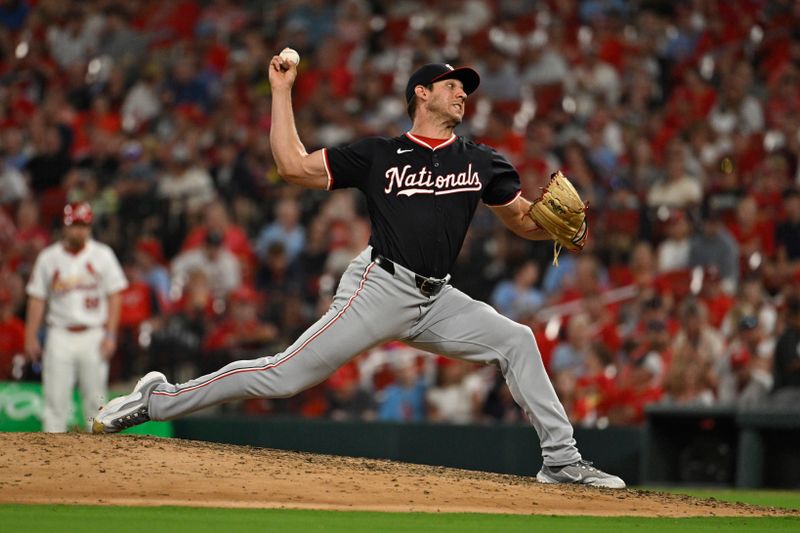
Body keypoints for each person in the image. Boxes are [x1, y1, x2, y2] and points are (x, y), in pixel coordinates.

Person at [92, 57, 625, 489]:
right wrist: (281, 91)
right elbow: (292, 166)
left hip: (437, 300)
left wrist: (560, 231)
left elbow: (524, 221)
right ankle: (156, 399)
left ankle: (561, 460)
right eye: (451, 85)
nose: (463, 93)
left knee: (518, 340)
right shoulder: (380, 154)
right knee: (284, 375)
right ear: (421, 93)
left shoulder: (482, 161)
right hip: (378, 286)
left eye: (466, 88)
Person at [25, 202, 128, 432]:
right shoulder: (48, 258)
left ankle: (98, 461)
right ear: (65, 226)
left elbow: (115, 296)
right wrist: (30, 335)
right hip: (59, 334)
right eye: (74, 226)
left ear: (90, 227)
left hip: (93, 334)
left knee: (96, 402)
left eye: (83, 226)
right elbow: (36, 298)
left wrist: (111, 334)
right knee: (55, 402)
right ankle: (52, 462)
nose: (79, 231)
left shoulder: (103, 255)